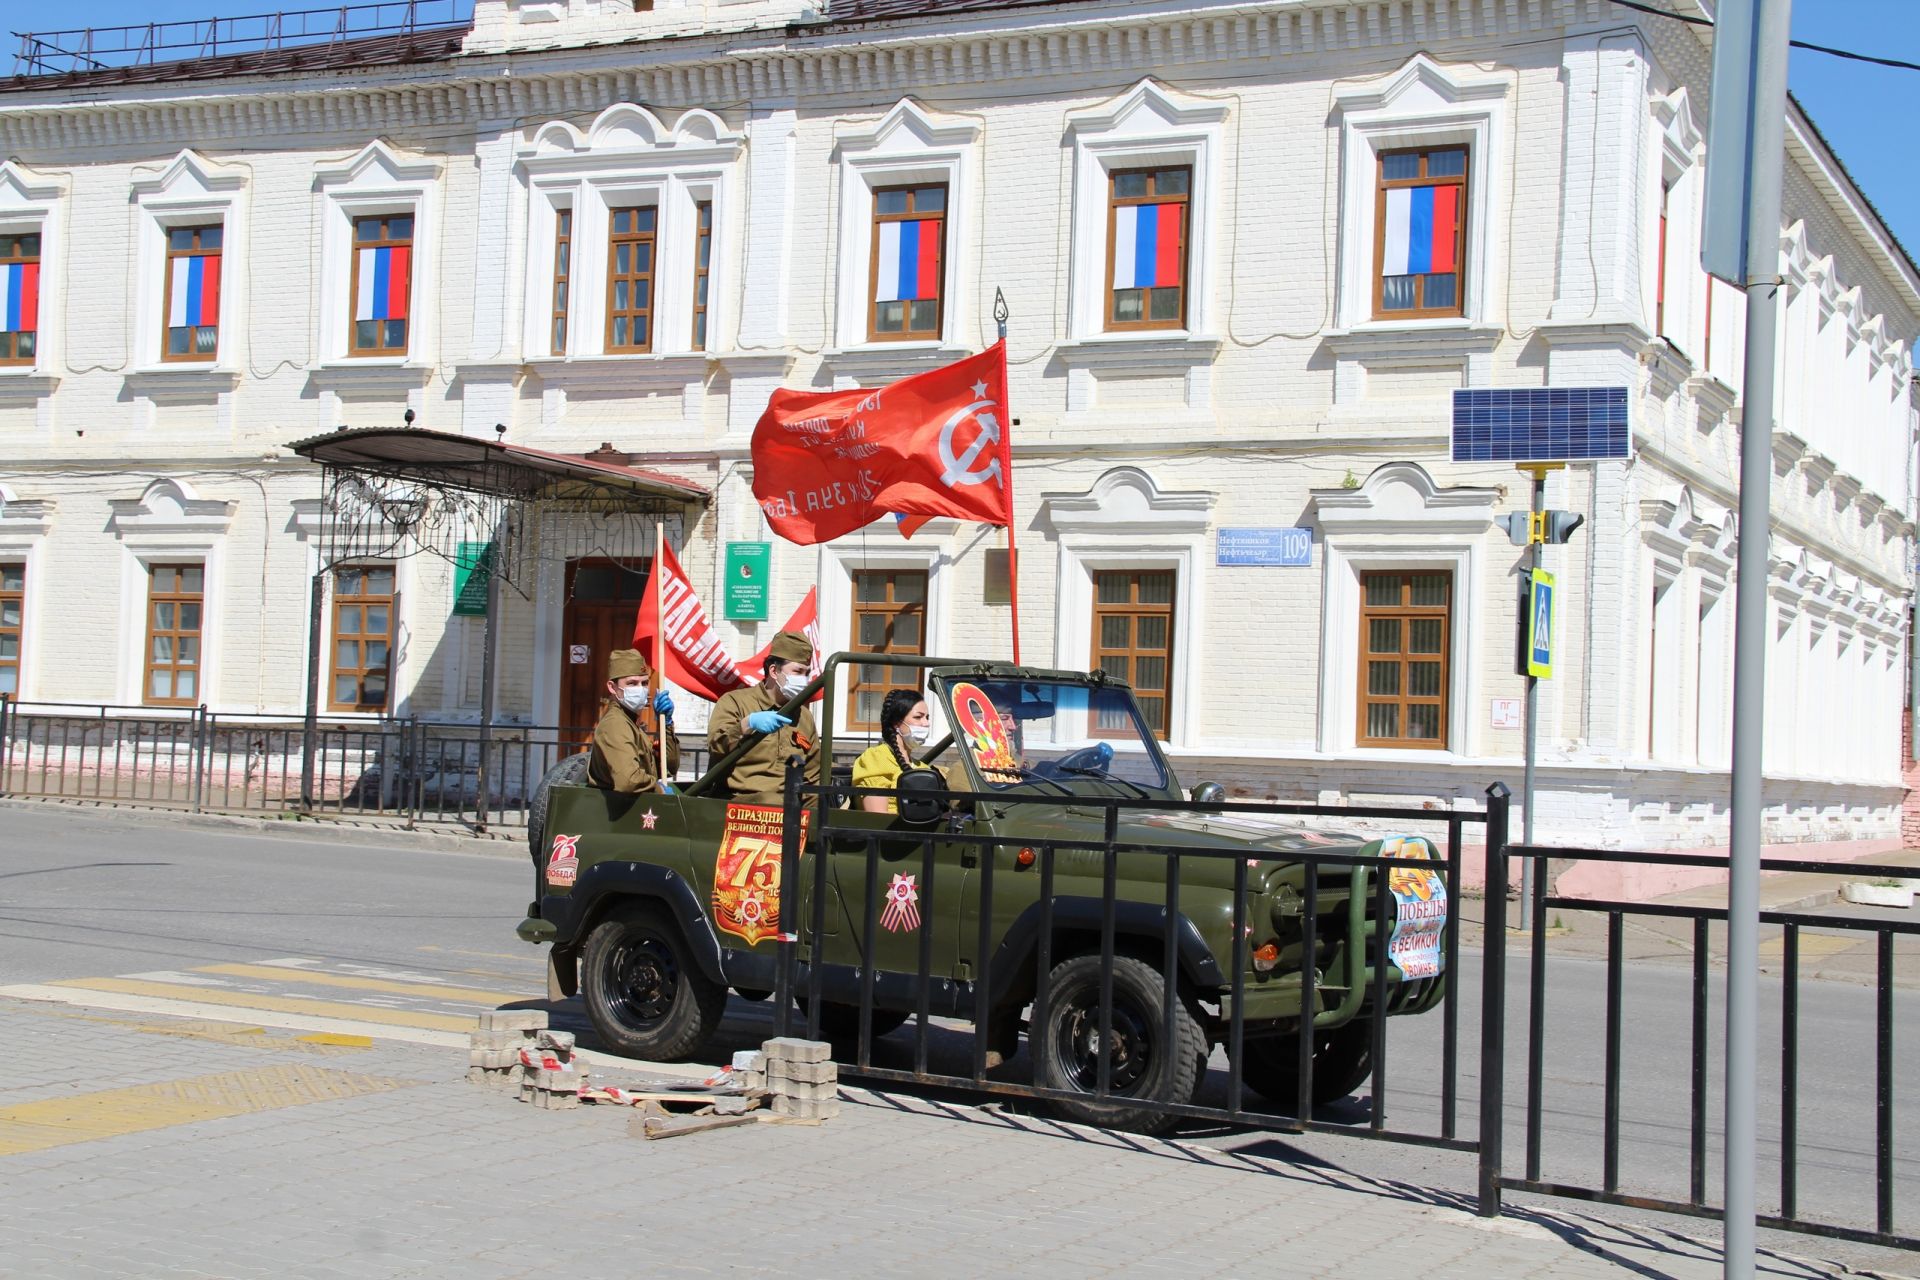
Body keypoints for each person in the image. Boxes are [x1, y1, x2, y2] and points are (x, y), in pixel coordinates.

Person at [708, 629, 820, 802]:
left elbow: (813, 775)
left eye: (807, 673)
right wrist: (747, 724)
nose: (804, 680)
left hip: (789, 804)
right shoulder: (736, 702)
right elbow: (716, 746)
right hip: (741, 800)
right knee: (772, 802)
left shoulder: (804, 716)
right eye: (798, 672)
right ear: (774, 671)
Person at [587, 648, 680, 794]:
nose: (640, 689)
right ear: (612, 687)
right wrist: (658, 790)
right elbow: (628, 780)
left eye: (644, 683)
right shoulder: (615, 724)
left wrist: (666, 724)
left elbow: (669, 767)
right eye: (632, 683)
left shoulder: (631, 723)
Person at [850, 689, 932, 813]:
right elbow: (878, 819)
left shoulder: (923, 768)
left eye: (927, 717)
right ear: (896, 723)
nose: (926, 723)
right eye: (918, 717)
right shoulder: (876, 758)